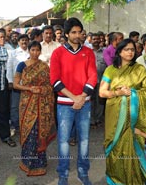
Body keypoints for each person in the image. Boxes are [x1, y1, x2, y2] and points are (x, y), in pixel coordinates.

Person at [99, 38, 146, 184]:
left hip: (134, 119)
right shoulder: (110, 70)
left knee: (134, 147)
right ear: (119, 51)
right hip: (115, 117)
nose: (130, 52)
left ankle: (135, 179)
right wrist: (117, 93)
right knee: (116, 145)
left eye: (132, 49)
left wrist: (132, 93)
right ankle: (116, 179)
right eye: (127, 49)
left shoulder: (139, 70)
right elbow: (102, 92)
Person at [50, 17, 97, 185]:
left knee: (84, 140)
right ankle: (63, 174)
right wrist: (74, 98)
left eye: (79, 32)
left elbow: (93, 77)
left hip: (84, 103)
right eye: (74, 32)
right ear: (67, 34)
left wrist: (81, 97)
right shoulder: (58, 53)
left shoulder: (89, 52)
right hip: (64, 104)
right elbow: (55, 80)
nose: (77, 35)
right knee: (63, 141)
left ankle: (83, 172)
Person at [13, 40, 56, 176]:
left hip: (42, 104)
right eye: (33, 50)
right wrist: (30, 88)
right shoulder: (22, 65)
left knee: (39, 131)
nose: (35, 53)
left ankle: (40, 164)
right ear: (29, 51)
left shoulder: (44, 66)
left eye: (38, 50)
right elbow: (15, 84)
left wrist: (41, 89)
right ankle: (27, 163)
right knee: (29, 130)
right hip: (27, 103)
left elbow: (50, 86)